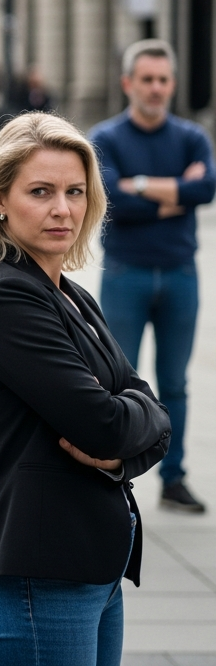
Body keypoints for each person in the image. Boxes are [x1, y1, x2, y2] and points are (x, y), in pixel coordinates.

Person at [0, 112, 171, 665]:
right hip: (38, 573)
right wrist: (133, 419)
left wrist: (124, 445)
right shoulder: (5, 297)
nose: (63, 209)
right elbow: (103, 422)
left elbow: (146, 409)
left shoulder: (71, 294)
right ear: (0, 199)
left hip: (92, 564)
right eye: (41, 191)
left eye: (75, 191)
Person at [89, 39, 215, 514]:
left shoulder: (191, 137)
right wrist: (174, 191)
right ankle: (112, 472)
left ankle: (174, 477)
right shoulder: (105, 138)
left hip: (181, 274)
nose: (156, 88)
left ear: (173, 84)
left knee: (176, 383)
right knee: (114, 382)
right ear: (128, 83)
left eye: (163, 79)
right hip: (126, 274)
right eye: (147, 79)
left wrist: (139, 186)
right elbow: (112, 202)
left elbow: (206, 188)